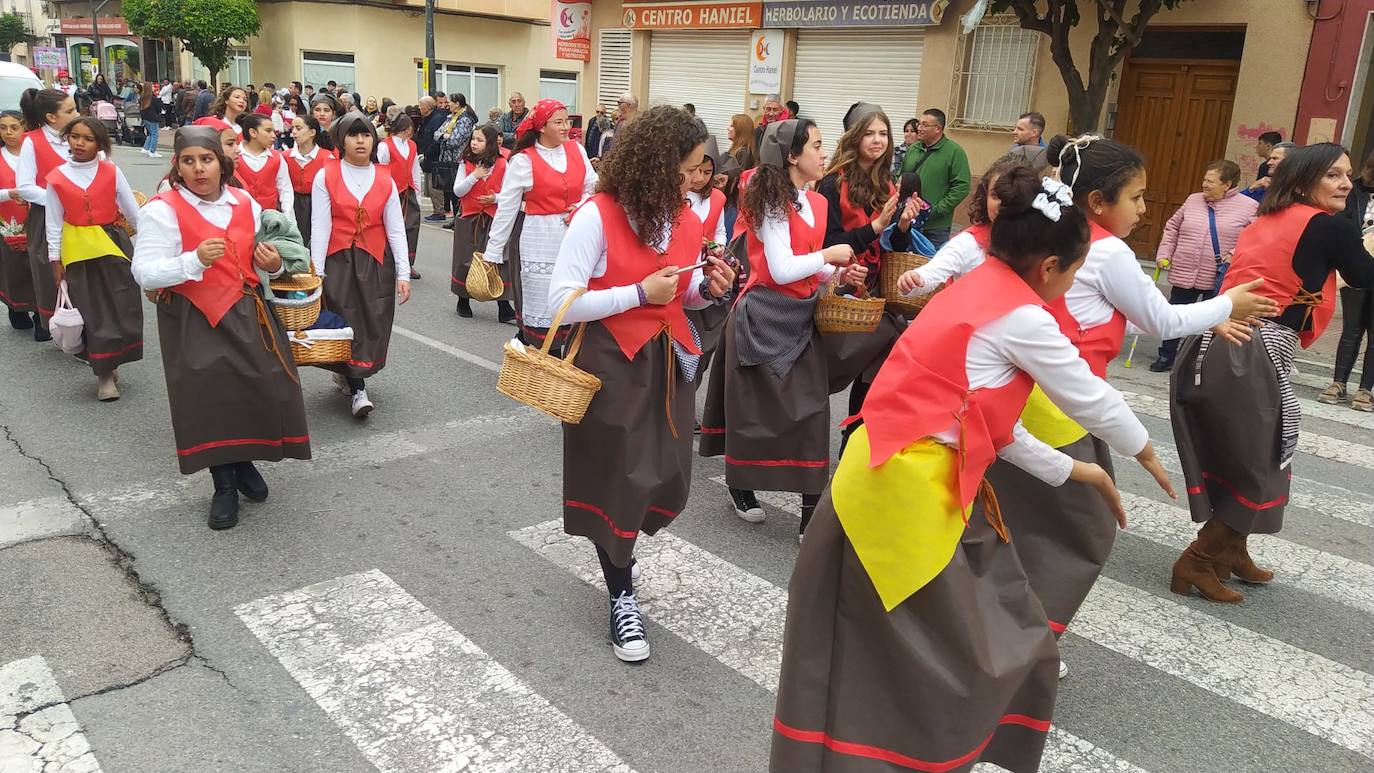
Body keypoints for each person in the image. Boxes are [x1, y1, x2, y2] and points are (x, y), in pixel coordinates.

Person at [770, 167, 1172, 773]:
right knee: (960, 656)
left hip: (885, 484)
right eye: (1074, 272)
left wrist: (1079, 472)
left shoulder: (979, 284)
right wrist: (1145, 450)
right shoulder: (1024, 316)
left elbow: (990, 425)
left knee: (881, 656)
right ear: (1049, 267)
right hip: (905, 499)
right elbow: (1088, 396)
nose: (1073, 284)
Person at [972, 135, 1275, 646]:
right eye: (1136, 196)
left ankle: (1005, 633)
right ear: (1097, 200)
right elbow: (1159, 319)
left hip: (1028, 402)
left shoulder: (1055, 233)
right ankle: (1024, 642)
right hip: (1059, 409)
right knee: (1080, 530)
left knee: (1021, 522)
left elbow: (1111, 316)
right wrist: (1227, 305)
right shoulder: (1107, 249)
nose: (1144, 209)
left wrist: (1207, 319)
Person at [548, 105, 735, 663]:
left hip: (668, 363)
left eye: (700, 169)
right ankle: (621, 593)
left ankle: (622, 561)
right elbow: (561, 304)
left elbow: (682, 293)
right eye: (689, 168)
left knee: (666, 475)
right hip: (610, 365)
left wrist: (710, 287)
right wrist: (636, 293)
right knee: (622, 482)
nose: (697, 179)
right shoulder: (597, 215)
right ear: (657, 164)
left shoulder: (686, 218)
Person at [1170, 143, 1374, 603]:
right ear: (1303, 181)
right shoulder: (1328, 226)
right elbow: (1365, 275)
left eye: (1347, 174)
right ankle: (1198, 560)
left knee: (1246, 456)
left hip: (1214, 341)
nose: (1345, 183)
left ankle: (1231, 551)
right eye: (1333, 175)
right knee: (1261, 462)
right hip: (1253, 349)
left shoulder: (1264, 218)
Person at [133, 126, 308, 530]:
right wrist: (192, 261)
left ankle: (242, 459)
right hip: (193, 315)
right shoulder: (161, 210)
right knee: (209, 398)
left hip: (247, 310)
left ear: (221, 164)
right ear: (177, 166)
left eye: (206, 159)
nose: (199, 169)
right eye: (189, 161)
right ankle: (224, 484)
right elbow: (143, 271)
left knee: (255, 389)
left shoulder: (244, 202)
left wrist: (274, 265)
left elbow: (265, 260)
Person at [698, 119, 864, 533]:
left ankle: (810, 512)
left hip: (801, 314)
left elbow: (808, 268)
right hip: (762, 315)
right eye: (817, 146)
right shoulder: (772, 201)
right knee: (754, 412)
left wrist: (839, 274)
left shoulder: (817, 203)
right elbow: (781, 268)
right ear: (792, 156)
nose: (824, 153)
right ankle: (741, 485)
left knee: (811, 410)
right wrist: (829, 256)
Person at [816, 104, 923, 455]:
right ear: (854, 137)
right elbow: (829, 241)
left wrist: (903, 225)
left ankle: (854, 443)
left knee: (874, 372)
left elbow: (895, 245)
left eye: (883, 133)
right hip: (838, 288)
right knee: (824, 372)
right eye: (869, 133)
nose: (878, 140)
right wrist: (875, 227)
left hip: (875, 289)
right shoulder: (832, 183)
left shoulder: (887, 183)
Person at [310, 112, 411, 418]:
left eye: (366, 134)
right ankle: (358, 387)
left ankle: (350, 372)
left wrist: (403, 272)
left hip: (376, 261)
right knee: (345, 319)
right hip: (339, 260)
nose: (360, 141)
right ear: (341, 140)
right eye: (353, 135)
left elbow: (396, 228)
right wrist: (317, 272)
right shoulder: (325, 175)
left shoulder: (385, 179)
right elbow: (320, 226)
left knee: (374, 319)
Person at [482, 99, 596, 350]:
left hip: (575, 235)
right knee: (544, 301)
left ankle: (551, 353)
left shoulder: (577, 150)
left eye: (567, 121)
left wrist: (580, 207)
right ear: (542, 127)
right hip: (539, 237)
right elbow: (507, 208)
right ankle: (543, 356)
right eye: (558, 122)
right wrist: (493, 251)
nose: (566, 127)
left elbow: (593, 187)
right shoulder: (524, 161)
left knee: (574, 294)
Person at [45, 117, 143, 401]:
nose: (80, 143)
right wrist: (55, 259)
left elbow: (133, 212)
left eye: (88, 139)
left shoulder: (112, 171)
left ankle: (112, 361)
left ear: (99, 144)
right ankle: (103, 374)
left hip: (113, 245)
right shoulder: (57, 177)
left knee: (122, 304)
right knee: (93, 311)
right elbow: (53, 222)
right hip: (78, 252)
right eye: (75, 136)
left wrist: (151, 244)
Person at [1149, 160, 1258, 371]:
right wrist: (1164, 254)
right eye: (1204, 180)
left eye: (1210, 181)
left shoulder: (1249, 206)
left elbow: (1255, 237)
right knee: (1176, 313)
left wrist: (1233, 253)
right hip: (1185, 268)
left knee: (1211, 319)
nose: (1204, 184)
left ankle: (1201, 361)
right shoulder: (1193, 200)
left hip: (1216, 274)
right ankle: (1167, 355)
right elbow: (1172, 227)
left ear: (1227, 184)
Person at [896, 157, 1023, 297]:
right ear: (985, 197)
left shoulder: (1034, 246)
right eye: (995, 195)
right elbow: (931, 273)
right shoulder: (969, 243)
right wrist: (913, 279)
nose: (1002, 204)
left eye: (1012, 197)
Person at [17, 87, 79, 342]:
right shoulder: (32, 141)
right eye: (70, 111)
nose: (76, 114)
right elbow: (25, 187)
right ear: (51, 117)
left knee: (81, 271)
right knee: (51, 274)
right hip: (46, 217)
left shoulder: (78, 136)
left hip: (80, 217)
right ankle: (59, 325)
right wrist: (58, 201)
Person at [1320, 149, 1374, 410]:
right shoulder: (1355, 191)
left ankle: (1365, 389)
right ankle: (1338, 382)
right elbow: (1341, 219)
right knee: (1352, 328)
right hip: (1356, 264)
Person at [450, 122, 513, 322]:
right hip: (470, 216)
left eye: (480, 140)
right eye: (473, 139)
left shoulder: (503, 163)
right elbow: (458, 190)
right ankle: (463, 299)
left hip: (494, 218)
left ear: (491, 143)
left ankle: (503, 304)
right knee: (465, 258)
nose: (474, 143)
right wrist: (474, 177)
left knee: (498, 259)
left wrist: (495, 198)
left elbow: (510, 193)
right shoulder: (466, 162)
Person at [900, 108, 970, 249]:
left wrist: (937, 210)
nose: (919, 128)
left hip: (936, 227)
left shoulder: (954, 152)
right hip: (908, 221)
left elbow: (962, 186)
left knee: (931, 260)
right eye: (919, 124)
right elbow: (901, 176)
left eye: (924, 125)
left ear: (938, 129)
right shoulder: (913, 149)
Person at [0, 110, 35, 332]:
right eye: (3, 128)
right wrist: (9, 194)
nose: (8, 133)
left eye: (14, 127)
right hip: (7, 224)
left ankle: (41, 314)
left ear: (25, 128)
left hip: (36, 222)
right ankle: (17, 308)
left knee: (38, 267)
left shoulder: (34, 154)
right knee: (12, 269)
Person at [376, 112, 422, 279]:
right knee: (391, 226)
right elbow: (381, 170)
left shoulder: (412, 145)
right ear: (406, 128)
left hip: (408, 191)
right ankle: (389, 261)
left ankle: (408, 263)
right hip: (392, 191)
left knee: (412, 226)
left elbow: (415, 169)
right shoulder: (385, 146)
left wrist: (417, 192)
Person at [233, 112, 294, 225]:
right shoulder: (235, 157)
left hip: (270, 221)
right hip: (240, 220)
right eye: (268, 131)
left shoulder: (277, 158)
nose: (273, 135)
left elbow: (285, 189)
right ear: (253, 132)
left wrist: (287, 217)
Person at [286, 115, 333, 244]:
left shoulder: (327, 158)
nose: (293, 132)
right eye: (293, 128)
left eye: (298, 128)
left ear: (312, 132)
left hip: (318, 204)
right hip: (293, 203)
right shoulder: (285, 157)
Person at [433, 94, 477, 228]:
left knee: (458, 192)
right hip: (447, 159)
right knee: (451, 191)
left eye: (450, 102)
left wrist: (445, 137)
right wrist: (444, 136)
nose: (448, 104)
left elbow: (454, 141)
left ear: (457, 103)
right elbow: (436, 134)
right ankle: (455, 220)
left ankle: (459, 220)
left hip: (458, 159)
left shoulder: (465, 120)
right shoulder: (450, 117)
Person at [416, 95, 450, 221]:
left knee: (435, 186)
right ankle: (438, 210)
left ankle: (439, 211)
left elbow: (437, 139)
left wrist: (428, 151)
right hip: (429, 156)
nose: (419, 108)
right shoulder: (428, 118)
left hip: (435, 157)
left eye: (421, 106)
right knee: (431, 186)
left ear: (427, 107)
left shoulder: (437, 119)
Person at [723, 113, 757, 239]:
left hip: (734, 203)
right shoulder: (737, 150)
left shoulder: (743, 152)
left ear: (741, 130)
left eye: (732, 126)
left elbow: (738, 178)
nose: (728, 128)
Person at [139, 82, 163, 158]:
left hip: (145, 118)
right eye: (152, 86)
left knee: (150, 133)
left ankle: (146, 148)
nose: (154, 88)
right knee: (154, 134)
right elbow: (159, 108)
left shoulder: (142, 98)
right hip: (153, 118)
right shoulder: (153, 99)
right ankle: (153, 151)